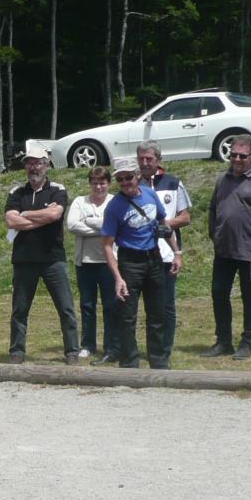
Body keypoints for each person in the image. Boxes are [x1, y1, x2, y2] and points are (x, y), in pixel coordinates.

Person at [101, 157, 182, 369]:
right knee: (127, 316)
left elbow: (164, 225)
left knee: (157, 313)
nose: (125, 182)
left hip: (154, 258)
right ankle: (129, 363)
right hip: (130, 261)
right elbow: (108, 245)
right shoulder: (114, 207)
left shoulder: (150, 194)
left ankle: (159, 362)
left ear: (137, 176)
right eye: (120, 179)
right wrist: (118, 277)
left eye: (129, 177)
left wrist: (177, 252)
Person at [202, 135, 251, 361]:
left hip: (250, 253)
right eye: (233, 154)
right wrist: (214, 235)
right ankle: (223, 341)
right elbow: (213, 209)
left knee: (250, 297)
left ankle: (247, 342)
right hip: (224, 250)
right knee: (219, 294)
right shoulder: (223, 179)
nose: (236, 159)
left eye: (242, 156)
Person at [5, 141, 80, 365]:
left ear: (46, 165)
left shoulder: (58, 189)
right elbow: (10, 219)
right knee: (20, 309)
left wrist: (25, 215)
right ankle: (17, 351)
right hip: (24, 259)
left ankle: (72, 351)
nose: (33, 167)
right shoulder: (16, 191)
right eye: (29, 163)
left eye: (38, 163)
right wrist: (40, 217)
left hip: (52, 258)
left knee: (65, 307)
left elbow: (55, 215)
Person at [136, 141, 191, 357]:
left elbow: (185, 217)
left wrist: (162, 225)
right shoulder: (133, 184)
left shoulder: (173, 183)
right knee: (142, 304)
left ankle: (164, 348)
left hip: (167, 255)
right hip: (139, 254)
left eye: (149, 158)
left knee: (166, 305)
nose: (145, 162)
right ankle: (139, 348)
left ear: (158, 159)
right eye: (141, 158)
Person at [65, 166, 118, 363]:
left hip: (109, 262)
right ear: (90, 184)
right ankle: (87, 344)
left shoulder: (115, 201)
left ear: (108, 184)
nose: (98, 187)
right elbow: (72, 225)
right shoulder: (80, 201)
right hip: (85, 262)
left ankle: (111, 345)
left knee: (110, 305)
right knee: (87, 305)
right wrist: (104, 227)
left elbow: (118, 226)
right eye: (95, 183)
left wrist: (89, 221)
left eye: (102, 183)